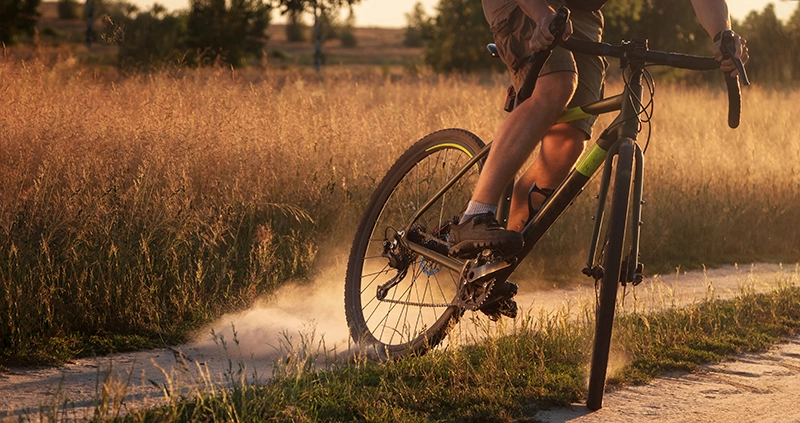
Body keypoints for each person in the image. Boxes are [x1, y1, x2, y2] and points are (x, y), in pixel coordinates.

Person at [447, 0, 749, 258]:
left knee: (569, 140)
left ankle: (494, 261)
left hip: (581, 13)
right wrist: (540, 15)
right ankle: (476, 215)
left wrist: (722, 33)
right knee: (557, 85)